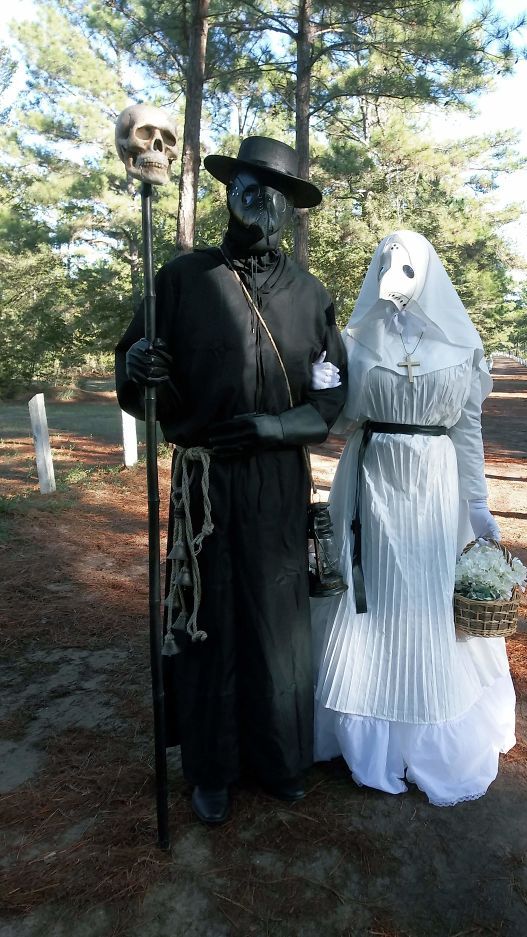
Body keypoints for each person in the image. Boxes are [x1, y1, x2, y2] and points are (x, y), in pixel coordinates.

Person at [115, 136, 347, 825]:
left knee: (277, 620)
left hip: (277, 482)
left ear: (289, 207)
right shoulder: (183, 279)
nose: (258, 195)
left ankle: (279, 758)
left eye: (273, 188)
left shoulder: (312, 297)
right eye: (247, 182)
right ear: (228, 190)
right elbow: (133, 367)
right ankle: (210, 767)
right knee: (208, 617)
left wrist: (275, 429)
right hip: (204, 485)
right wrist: (140, 371)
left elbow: (329, 398)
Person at [312, 230, 515, 806]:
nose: (394, 274)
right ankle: (364, 731)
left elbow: (468, 429)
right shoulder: (355, 341)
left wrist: (477, 502)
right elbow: (343, 422)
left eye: (406, 266)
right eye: (385, 264)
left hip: (433, 487)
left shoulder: (461, 346)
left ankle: (426, 728)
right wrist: (324, 387)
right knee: (366, 593)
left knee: (426, 599)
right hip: (370, 480)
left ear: (428, 272)